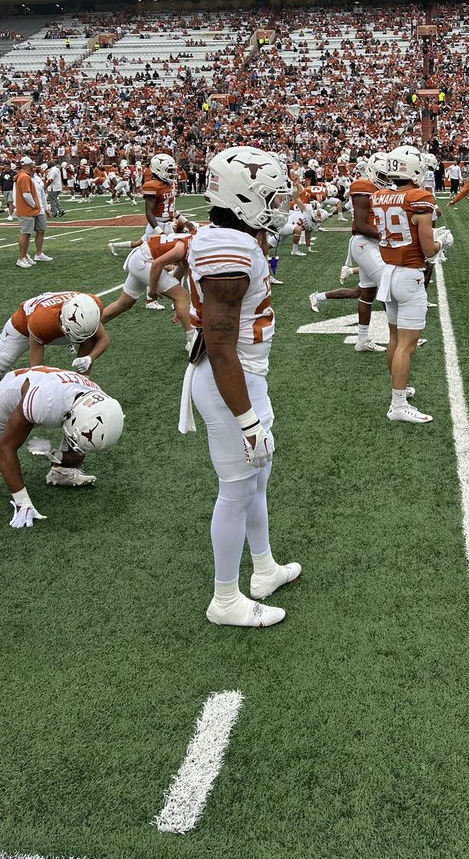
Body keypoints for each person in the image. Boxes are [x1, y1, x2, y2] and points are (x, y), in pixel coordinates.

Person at [179, 145, 300, 628]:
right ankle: (225, 598)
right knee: (235, 489)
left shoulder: (227, 239)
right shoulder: (227, 248)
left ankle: (264, 567)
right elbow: (221, 344)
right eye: (269, 197)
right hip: (230, 379)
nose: (277, 206)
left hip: (245, 376)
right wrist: (247, 421)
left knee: (258, 481)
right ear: (243, 197)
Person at [0, 366, 124, 518]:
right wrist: (22, 503)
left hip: (33, 398)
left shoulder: (93, 401)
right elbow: (6, 448)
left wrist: (52, 453)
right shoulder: (45, 400)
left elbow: (76, 455)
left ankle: (60, 472)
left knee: (78, 443)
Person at [371, 146, 452, 424]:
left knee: (394, 339)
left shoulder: (379, 196)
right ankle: (398, 404)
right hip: (410, 276)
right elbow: (429, 250)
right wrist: (444, 241)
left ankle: (399, 390)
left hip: (388, 272)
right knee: (407, 344)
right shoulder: (420, 197)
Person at [308, 151, 389, 354]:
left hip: (372, 242)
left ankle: (362, 340)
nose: (386, 177)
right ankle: (401, 336)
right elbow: (360, 224)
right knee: (390, 285)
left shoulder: (382, 188)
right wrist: (388, 238)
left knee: (366, 293)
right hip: (365, 242)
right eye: (382, 173)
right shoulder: (363, 186)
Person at [103, 217, 194, 322]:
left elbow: (178, 273)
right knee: (182, 295)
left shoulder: (188, 242)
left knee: (124, 303)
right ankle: (192, 336)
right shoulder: (187, 244)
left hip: (142, 257)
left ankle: (95, 327)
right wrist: (153, 290)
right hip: (144, 259)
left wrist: (178, 307)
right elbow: (157, 264)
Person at [15, 156, 50, 268]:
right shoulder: (24, 177)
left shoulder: (26, 176)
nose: (33, 166)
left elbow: (41, 194)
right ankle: (21, 258)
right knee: (25, 234)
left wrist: (42, 207)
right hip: (28, 210)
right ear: (27, 165)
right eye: (31, 164)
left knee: (33, 232)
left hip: (33, 209)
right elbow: (26, 195)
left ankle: (26, 256)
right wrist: (34, 205)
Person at [142, 153, 177, 235]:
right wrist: (159, 232)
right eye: (169, 170)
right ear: (159, 169)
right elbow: (149, 212)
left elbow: (171, 209)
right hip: (157, 226)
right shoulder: (152, 186)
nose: (172, 173)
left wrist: (186, 222)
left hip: (168, 225)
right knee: (148, 247)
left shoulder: (169, 184)